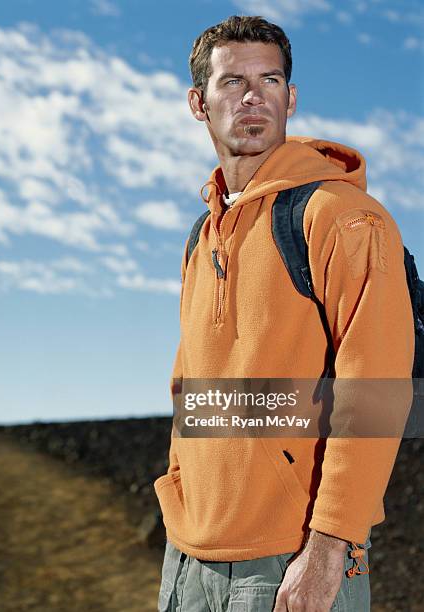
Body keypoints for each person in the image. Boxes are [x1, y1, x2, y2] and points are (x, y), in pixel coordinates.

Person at [154, 15, 415, 612]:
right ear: (198, 102)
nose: (252, 96)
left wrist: (329, 546)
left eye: (269, 80)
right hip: (187, 558)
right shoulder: (202, 236)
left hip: (290, 558)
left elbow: (376, 389)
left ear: (290, 98)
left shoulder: (342, 218)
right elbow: (188, 383)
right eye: (232, 81)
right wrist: (178, 491)